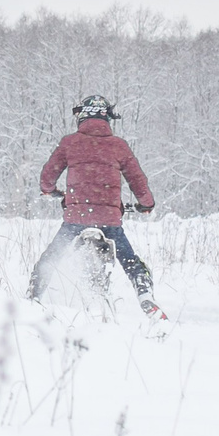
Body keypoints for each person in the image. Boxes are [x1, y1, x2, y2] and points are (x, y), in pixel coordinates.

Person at [29, 94, 164, 316]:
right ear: (107, 119)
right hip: (109, 221)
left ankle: (33, 296)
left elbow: (48, 175)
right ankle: (145, 295)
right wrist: (146, 204)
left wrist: (49, 190)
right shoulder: (119, 146)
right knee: (129, 260)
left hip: (76, 219)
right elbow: (137, 180)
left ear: (81, 117)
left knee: (50, 259)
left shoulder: (69, 143)